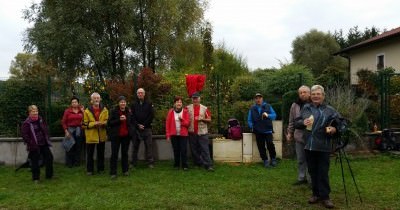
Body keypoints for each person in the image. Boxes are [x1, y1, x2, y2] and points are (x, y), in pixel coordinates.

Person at [295, 85, 341, 209]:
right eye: (314, 94)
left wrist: (334, 128)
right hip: (309, 146)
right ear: (311, 96)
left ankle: (325, 197)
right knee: (313, 171)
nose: (316, 96)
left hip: (323, 146)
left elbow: (342, 123)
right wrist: (302, 123)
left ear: (323, 96)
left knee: (323, 172)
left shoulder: (330, 110)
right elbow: (297, 122)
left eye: (318, 94)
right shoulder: (306, 108)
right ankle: (315, 194)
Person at [21, 105, 53, 183]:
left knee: (49, 158)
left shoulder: (40, 119)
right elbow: (25, 135)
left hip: (43, 142)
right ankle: (36, 178)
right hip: (34, 145)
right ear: (29, 113)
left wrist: (46, 136)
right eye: (33, 111)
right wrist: (31, 142)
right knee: (35, 161)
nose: (35, 113)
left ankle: (49, 175)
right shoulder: (26, 123)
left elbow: (44, 129)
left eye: (36, 111)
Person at [287, 85, 311, 185]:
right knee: (301, 159)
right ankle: (302, 178)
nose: (302, 94)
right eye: (300, 92)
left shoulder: (313, 103)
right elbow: (291, 121)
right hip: (299, 137)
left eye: (305, 92)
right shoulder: (294, 105)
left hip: (311, 136)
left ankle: (311, 181)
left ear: (309, 93)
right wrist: (289, 133)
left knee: (311, 160)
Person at [247, 93, 278, 168]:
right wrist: (252, 126)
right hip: (258, 131)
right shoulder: (252, 108)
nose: (258, 99)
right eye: (256, 98)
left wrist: (268, 115)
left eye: (259, 98)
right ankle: (265, 160)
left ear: (262, 98)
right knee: (261, 146)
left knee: (270, 144)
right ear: (255, 99)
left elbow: (274, 116)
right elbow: (249, 119)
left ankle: (273, 159)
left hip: (268, 130)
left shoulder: (268, 106)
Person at [187, 92, 214, 171]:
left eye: (196, 98)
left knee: (205, 149)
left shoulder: (204, 108)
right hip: (192, 132)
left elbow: (209, 119)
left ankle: (208, 165)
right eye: (194, 98)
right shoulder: (187, 108)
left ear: (199, 99)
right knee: (194, 150)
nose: (195, 100)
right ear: (192, 99)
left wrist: (202, 119)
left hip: (202, 132)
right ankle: (198, 163)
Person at [83, 92, 108, 175]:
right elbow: (83, 124)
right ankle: (90, 170)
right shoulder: (86, 111)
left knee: (101, 153)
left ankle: (101, 169)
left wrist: (104, 123)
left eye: (98, 98)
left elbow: (107, 120)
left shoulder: (105, 110)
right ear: (91, 100)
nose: (96, 100)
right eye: (95, 98)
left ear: (100, 99)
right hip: (91, 136)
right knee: (90, 154)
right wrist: (94, 124)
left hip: (101, 135)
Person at [108, 96, 133, 179]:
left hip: (126, 136)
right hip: (116, 136)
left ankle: (125, 170)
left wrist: (131, 131)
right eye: (121, 102)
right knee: (114, 154)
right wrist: (119, 120)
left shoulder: (128, 111)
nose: (123, 103)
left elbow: (131, 122)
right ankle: (113, 172)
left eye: (124, 102)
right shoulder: (113, 111)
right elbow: (110, 123)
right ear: (118, 103)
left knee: (125, 154)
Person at [131, 88, 155, 168]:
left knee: (149, 146)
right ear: (137, 94)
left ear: (144, 94)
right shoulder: (133, 104)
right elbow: (132, 116)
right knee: (135, 146)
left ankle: (150, 162)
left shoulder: (149, 103)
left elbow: (151, 115)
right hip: (136, 129)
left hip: (147, 128)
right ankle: (133, 163)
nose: (140, 94)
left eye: (141, 93)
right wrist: (138, 125)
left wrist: (143, 125)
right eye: (138, 93)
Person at [165, 96, 190, 170]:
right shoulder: (171, 112)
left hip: (183, 134)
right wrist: (168, 135)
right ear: (174, 103)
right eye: (177, 102)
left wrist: (182, 120)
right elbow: (167, 124)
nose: (179, 103)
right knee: (176, 150)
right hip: (174, 134)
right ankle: (176, 164)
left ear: (182, 104)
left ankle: (185, 165)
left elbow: (188, 124)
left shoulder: (185, 111)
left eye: (180, 102)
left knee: (183, 150)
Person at [61, 96, 84, 167]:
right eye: (72, 102)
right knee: (70, 146)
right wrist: (66, 131)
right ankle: (69, 163)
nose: (74, 103)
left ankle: (77, 162)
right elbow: (63, 122)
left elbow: (86, 120)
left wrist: (83, 112)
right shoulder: (67, 111)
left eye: (75, 102)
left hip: (79, 130)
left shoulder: (81, 110)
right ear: (71, 104)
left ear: (78, 103)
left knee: (78, 147)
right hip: (70, 130)